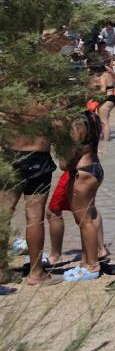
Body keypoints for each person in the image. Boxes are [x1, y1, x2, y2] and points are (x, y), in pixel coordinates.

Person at [2, 113, 55, 285]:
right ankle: (36, 272)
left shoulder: (7, 86)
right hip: (38, 155)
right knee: (34, 216)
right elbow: (61, 124)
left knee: (3, 215)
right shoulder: (47, 89)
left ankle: (1, 270)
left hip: (10, 154)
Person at [61, 106, 104, 282]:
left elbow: (69, 156)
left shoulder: (77, 123)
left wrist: (64, 159)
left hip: (83, 171)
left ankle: (92, 266)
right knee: (87, 218)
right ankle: (86, 262)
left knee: (84, 220)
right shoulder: (92, 117)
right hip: (95, 167)